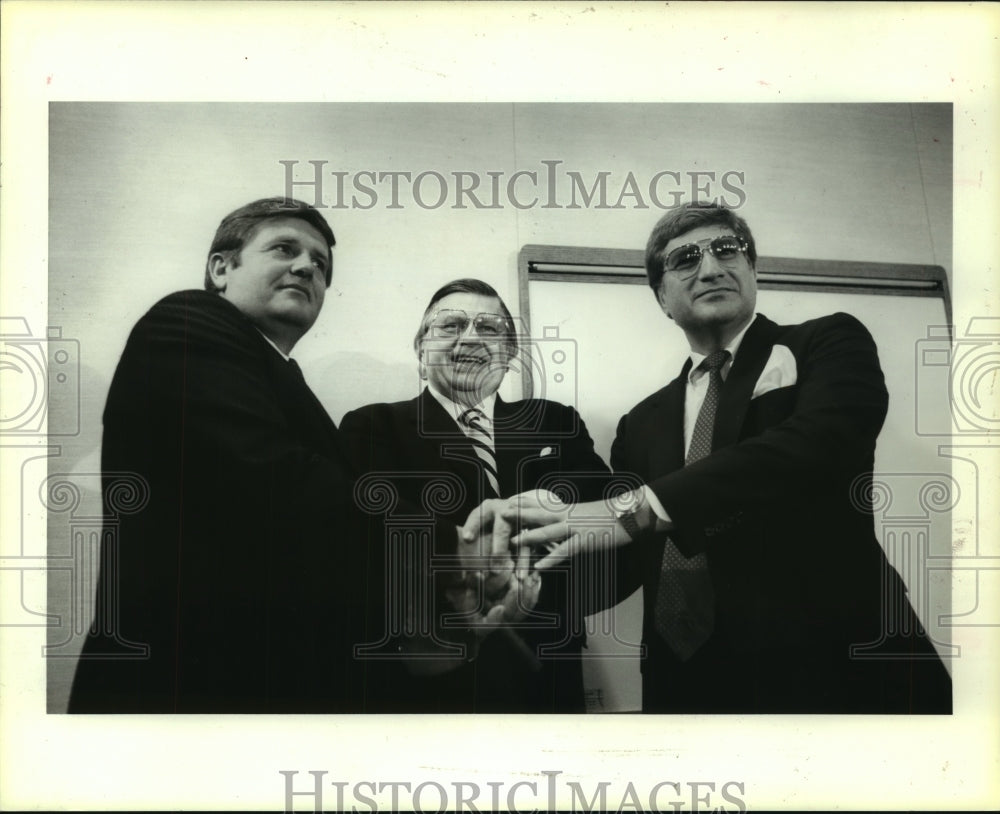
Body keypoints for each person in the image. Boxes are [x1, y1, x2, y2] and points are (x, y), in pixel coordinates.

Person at [483, 201, 953, 714]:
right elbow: (629, 557)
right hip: (688, 686)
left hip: (841, 668)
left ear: (752, 268)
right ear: (661, 296)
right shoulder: (640, 424)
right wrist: (533, 593)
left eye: (727, 250)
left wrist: (637, 507)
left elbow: (817, 443)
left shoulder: (828, 341)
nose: (710, 268)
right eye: (685, 259)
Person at [67, 199, 513, 713]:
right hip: (183, 689)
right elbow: (281, 484)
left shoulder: (280, 378)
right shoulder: (186, 322)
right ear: (220, 268)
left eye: (320, 264)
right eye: (285, 248)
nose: (307, 266)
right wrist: (452, 546)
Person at [339, 279, 613, 712]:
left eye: (489, 328)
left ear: (508, 353)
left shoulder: (553, 420)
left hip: (547, 661)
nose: (470, 337)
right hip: (430, 667)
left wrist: (529, 510)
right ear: (420, 348)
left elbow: (599, 496)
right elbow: (369, 530)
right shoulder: (373, 427)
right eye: (450, 325)